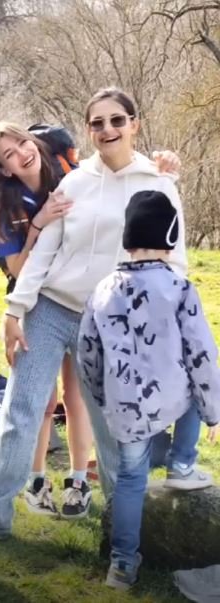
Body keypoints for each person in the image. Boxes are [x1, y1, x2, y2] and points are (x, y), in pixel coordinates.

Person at [0, 87, 184, 538]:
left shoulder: (157, 182)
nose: (108, 129)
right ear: (88, 131)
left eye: (117, 120)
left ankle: (122, 522)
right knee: (20, 411)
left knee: (111, 424)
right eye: (97, 123)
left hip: (108, 322)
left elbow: (175, 260)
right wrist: (15, 310)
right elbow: (44, 253)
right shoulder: (74, 182)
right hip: (50, 310)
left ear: (134, 124)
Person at [78, 189, 220, 590]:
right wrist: (213, 411)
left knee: (130, 480)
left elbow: (87, 352)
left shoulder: (102, 289)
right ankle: (182, 463)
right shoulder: (179, 288)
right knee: (193, 392)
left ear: (129, 240)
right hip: (172, 395)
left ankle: (122, 565)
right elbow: (201, 355)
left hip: (125, 404)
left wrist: (102, 396)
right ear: (170, 240)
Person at [0, 122, 94, 519]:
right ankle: (35, 481)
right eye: (8, 154)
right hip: (35, 303)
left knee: (78, 397)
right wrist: (38, 224)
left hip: (82, 300)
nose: (21, 154)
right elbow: (18, 269)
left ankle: (79, 481)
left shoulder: (74, 180)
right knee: (39, 401)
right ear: (4, 169)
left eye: (22, 143)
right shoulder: (3, 207)